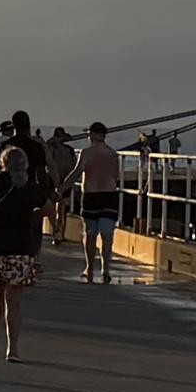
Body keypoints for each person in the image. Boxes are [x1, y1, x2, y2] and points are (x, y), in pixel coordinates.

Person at [0, 113, 46, 358]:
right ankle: (13, 348)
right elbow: (50, 207)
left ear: (2, 162)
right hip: (21, 248)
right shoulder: (29, 187)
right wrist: (35, 218)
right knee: (14, 302)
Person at [74, 120, 126, 284]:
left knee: (90, 234)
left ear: (93, 135)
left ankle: (89, 268)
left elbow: (77, 172)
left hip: (91, 196)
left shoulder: (86, 153)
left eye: (89, 134)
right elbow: (116, 176)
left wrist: (61, 188)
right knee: (107, 235)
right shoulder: (112, 154)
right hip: (109, 196)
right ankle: (106, 269)